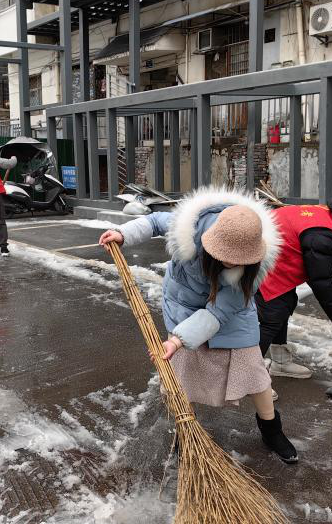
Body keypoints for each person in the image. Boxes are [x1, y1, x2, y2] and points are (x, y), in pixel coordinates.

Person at [99, 187, 298, 464]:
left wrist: (177, 339)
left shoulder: (253, 270)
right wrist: (123, 234)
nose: (233, 263)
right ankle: (186, 430)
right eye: (227, 256)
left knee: (255, 374)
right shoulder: (191, 226)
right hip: (184, 306)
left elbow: (217, 313)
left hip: (230, 317)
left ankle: (271, 429)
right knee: (183, 375)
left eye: (240, 259)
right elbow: (155, 221)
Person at [257, 199, 332, 380]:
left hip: (274, 256)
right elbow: (321, 281)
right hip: (264, 259)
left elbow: (317, 274)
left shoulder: (327, 217)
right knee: (272, 316)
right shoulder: (323, 234)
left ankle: (280, 362)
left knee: (283, 304)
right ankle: (249, 378)